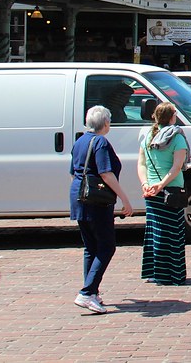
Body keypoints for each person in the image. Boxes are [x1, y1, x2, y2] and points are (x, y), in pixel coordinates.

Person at [69, 105, 133, 314]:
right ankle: (86, 292)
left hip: (79, 196)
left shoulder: (80, 141)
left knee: (91, 247)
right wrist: (124, 198)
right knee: (106, 247)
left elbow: (73, 172)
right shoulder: (101, 142)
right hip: (97, 201)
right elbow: (106, 173)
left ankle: (92, 291)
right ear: (105, 123)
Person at [137, 102, 189, 286]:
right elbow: (176, 168)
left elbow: (141, 164)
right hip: (171, 190)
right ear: (173, 116)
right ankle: (172, 274)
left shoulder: (147, 136)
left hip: (151, 191)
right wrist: (162, 184)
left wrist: (146, 184)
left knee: (155, 232)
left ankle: (154, 272)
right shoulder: (177, 137)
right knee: (173, 233)